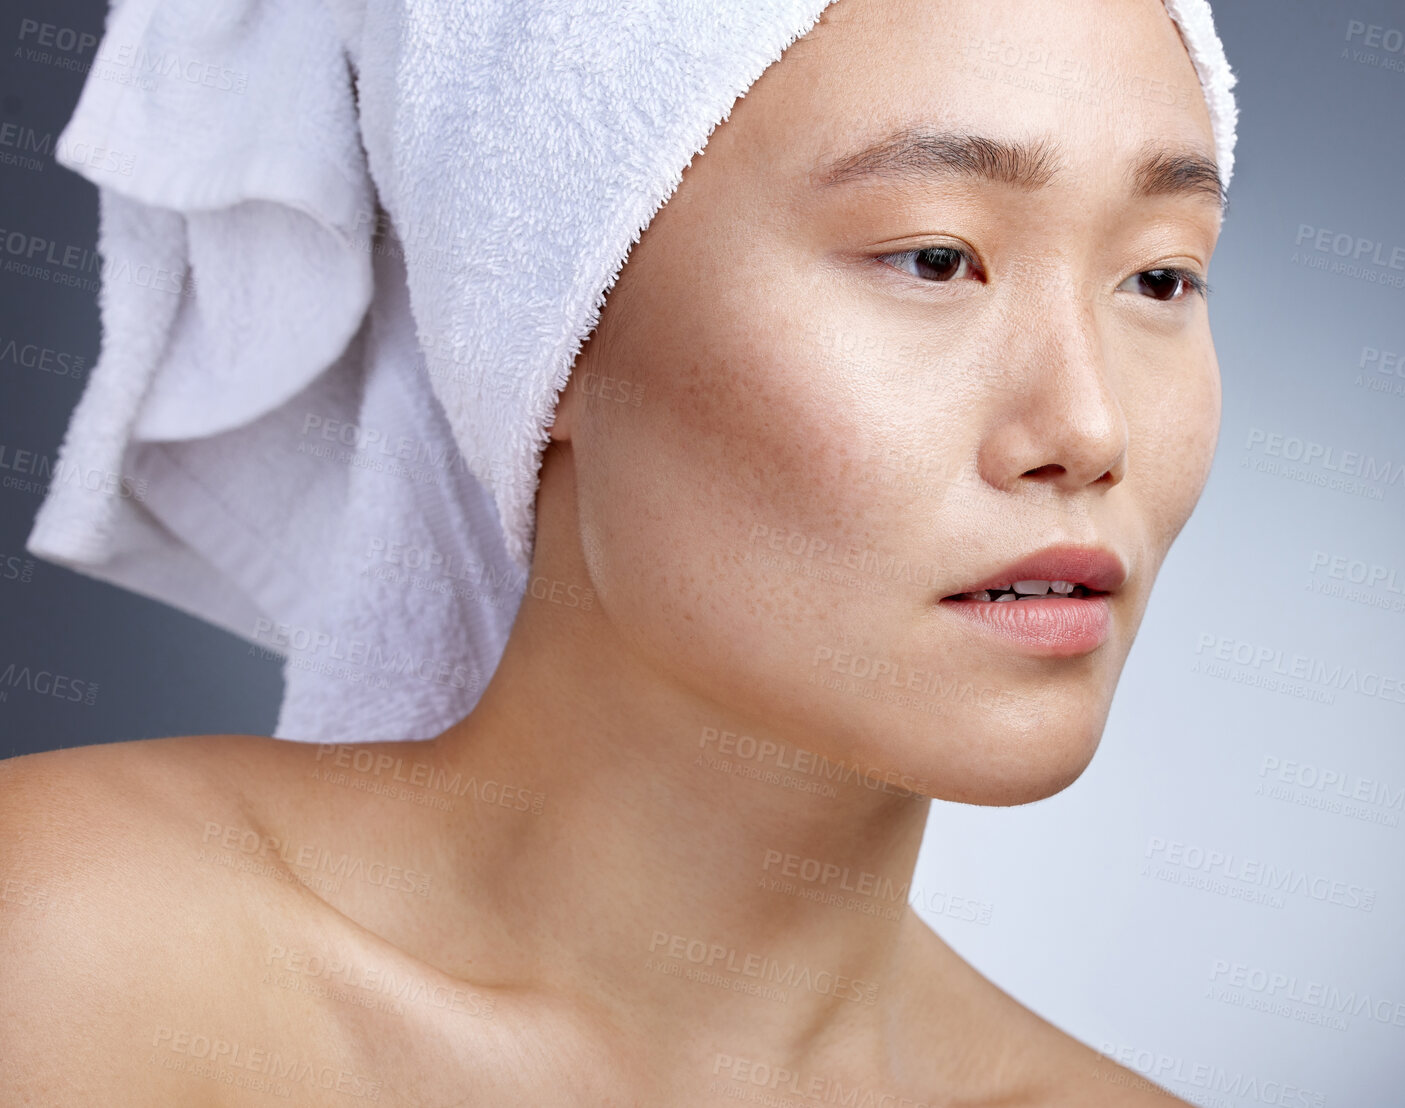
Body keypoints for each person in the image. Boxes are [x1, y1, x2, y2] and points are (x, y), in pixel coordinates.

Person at [0, 0, 1229, 1101]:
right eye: (931, 257)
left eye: (1161, 279)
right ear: (553, 317)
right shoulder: (66, 949)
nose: (1085, 427)